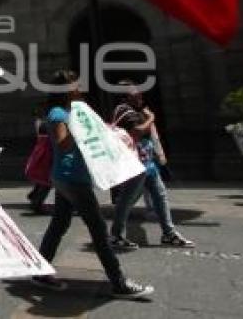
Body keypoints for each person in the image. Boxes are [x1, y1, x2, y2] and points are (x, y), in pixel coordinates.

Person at [31, 70, 153, 299]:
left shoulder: (73, 111)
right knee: (98, 230)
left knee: (59, 224)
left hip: (67, 177)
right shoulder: (59, 113)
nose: (79, 88)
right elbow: (62, 143)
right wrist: (83, 132)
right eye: (75, 85)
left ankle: (40, 271)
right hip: (72, 178)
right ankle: (119, 283)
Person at [112, 82, 194, 248]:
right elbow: (136, 132)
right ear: (125, 96)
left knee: (160, 195)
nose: (140, 95)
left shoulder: (135, 110)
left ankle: (168, 233)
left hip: (146, 163)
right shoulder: (124, 111)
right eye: (135, 93)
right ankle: (116, 235)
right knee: (127, 199)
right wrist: (151, 118)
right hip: (135, 164)